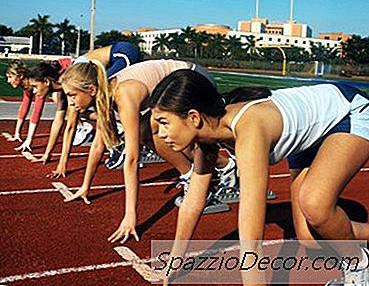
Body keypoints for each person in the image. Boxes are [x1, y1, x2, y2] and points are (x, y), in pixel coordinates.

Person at [150, 69, 369, 285]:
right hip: (310, 134)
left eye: (164, 122)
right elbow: (192, 203)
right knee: (308, 237)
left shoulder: (249, 132)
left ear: (194, 117)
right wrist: (175, 261)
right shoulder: (208, 136)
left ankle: (359, 264)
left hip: (348, 111)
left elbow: (251, 240)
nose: (159, 133)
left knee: (315, 204)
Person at [61, 59, 236, 244]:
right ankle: (217, 168)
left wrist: (130, 215)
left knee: (158, 132)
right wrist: (85, 186)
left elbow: (132, 158)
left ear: (91, 90)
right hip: (178, 81)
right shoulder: (104, 95)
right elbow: (98, 145)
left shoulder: (123, 95)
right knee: (151, 131)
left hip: (195, 78)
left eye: (72, 95)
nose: (70, 103)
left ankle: (210, 171)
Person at [30, 42, 142, 177]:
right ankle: (120, 140)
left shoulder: (73, 80)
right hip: (116, 56)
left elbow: (71, 127)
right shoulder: (65, 89)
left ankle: (129, 142)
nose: (34, 92)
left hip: (124, 52)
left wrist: (63, 163)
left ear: (46, 81)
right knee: (99, 102)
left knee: (104, 91)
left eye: (35, 86)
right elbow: (60, 123)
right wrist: (48, 154)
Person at [5, 60, 46, 151]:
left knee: (60, 101)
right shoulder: (26, 84)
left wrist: (29, 139)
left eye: (10, 77)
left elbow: (37, 110)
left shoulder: (35, 81)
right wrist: (17, 133)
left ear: (20, 76)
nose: (8, 81)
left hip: (65, 71)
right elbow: (25, 106)